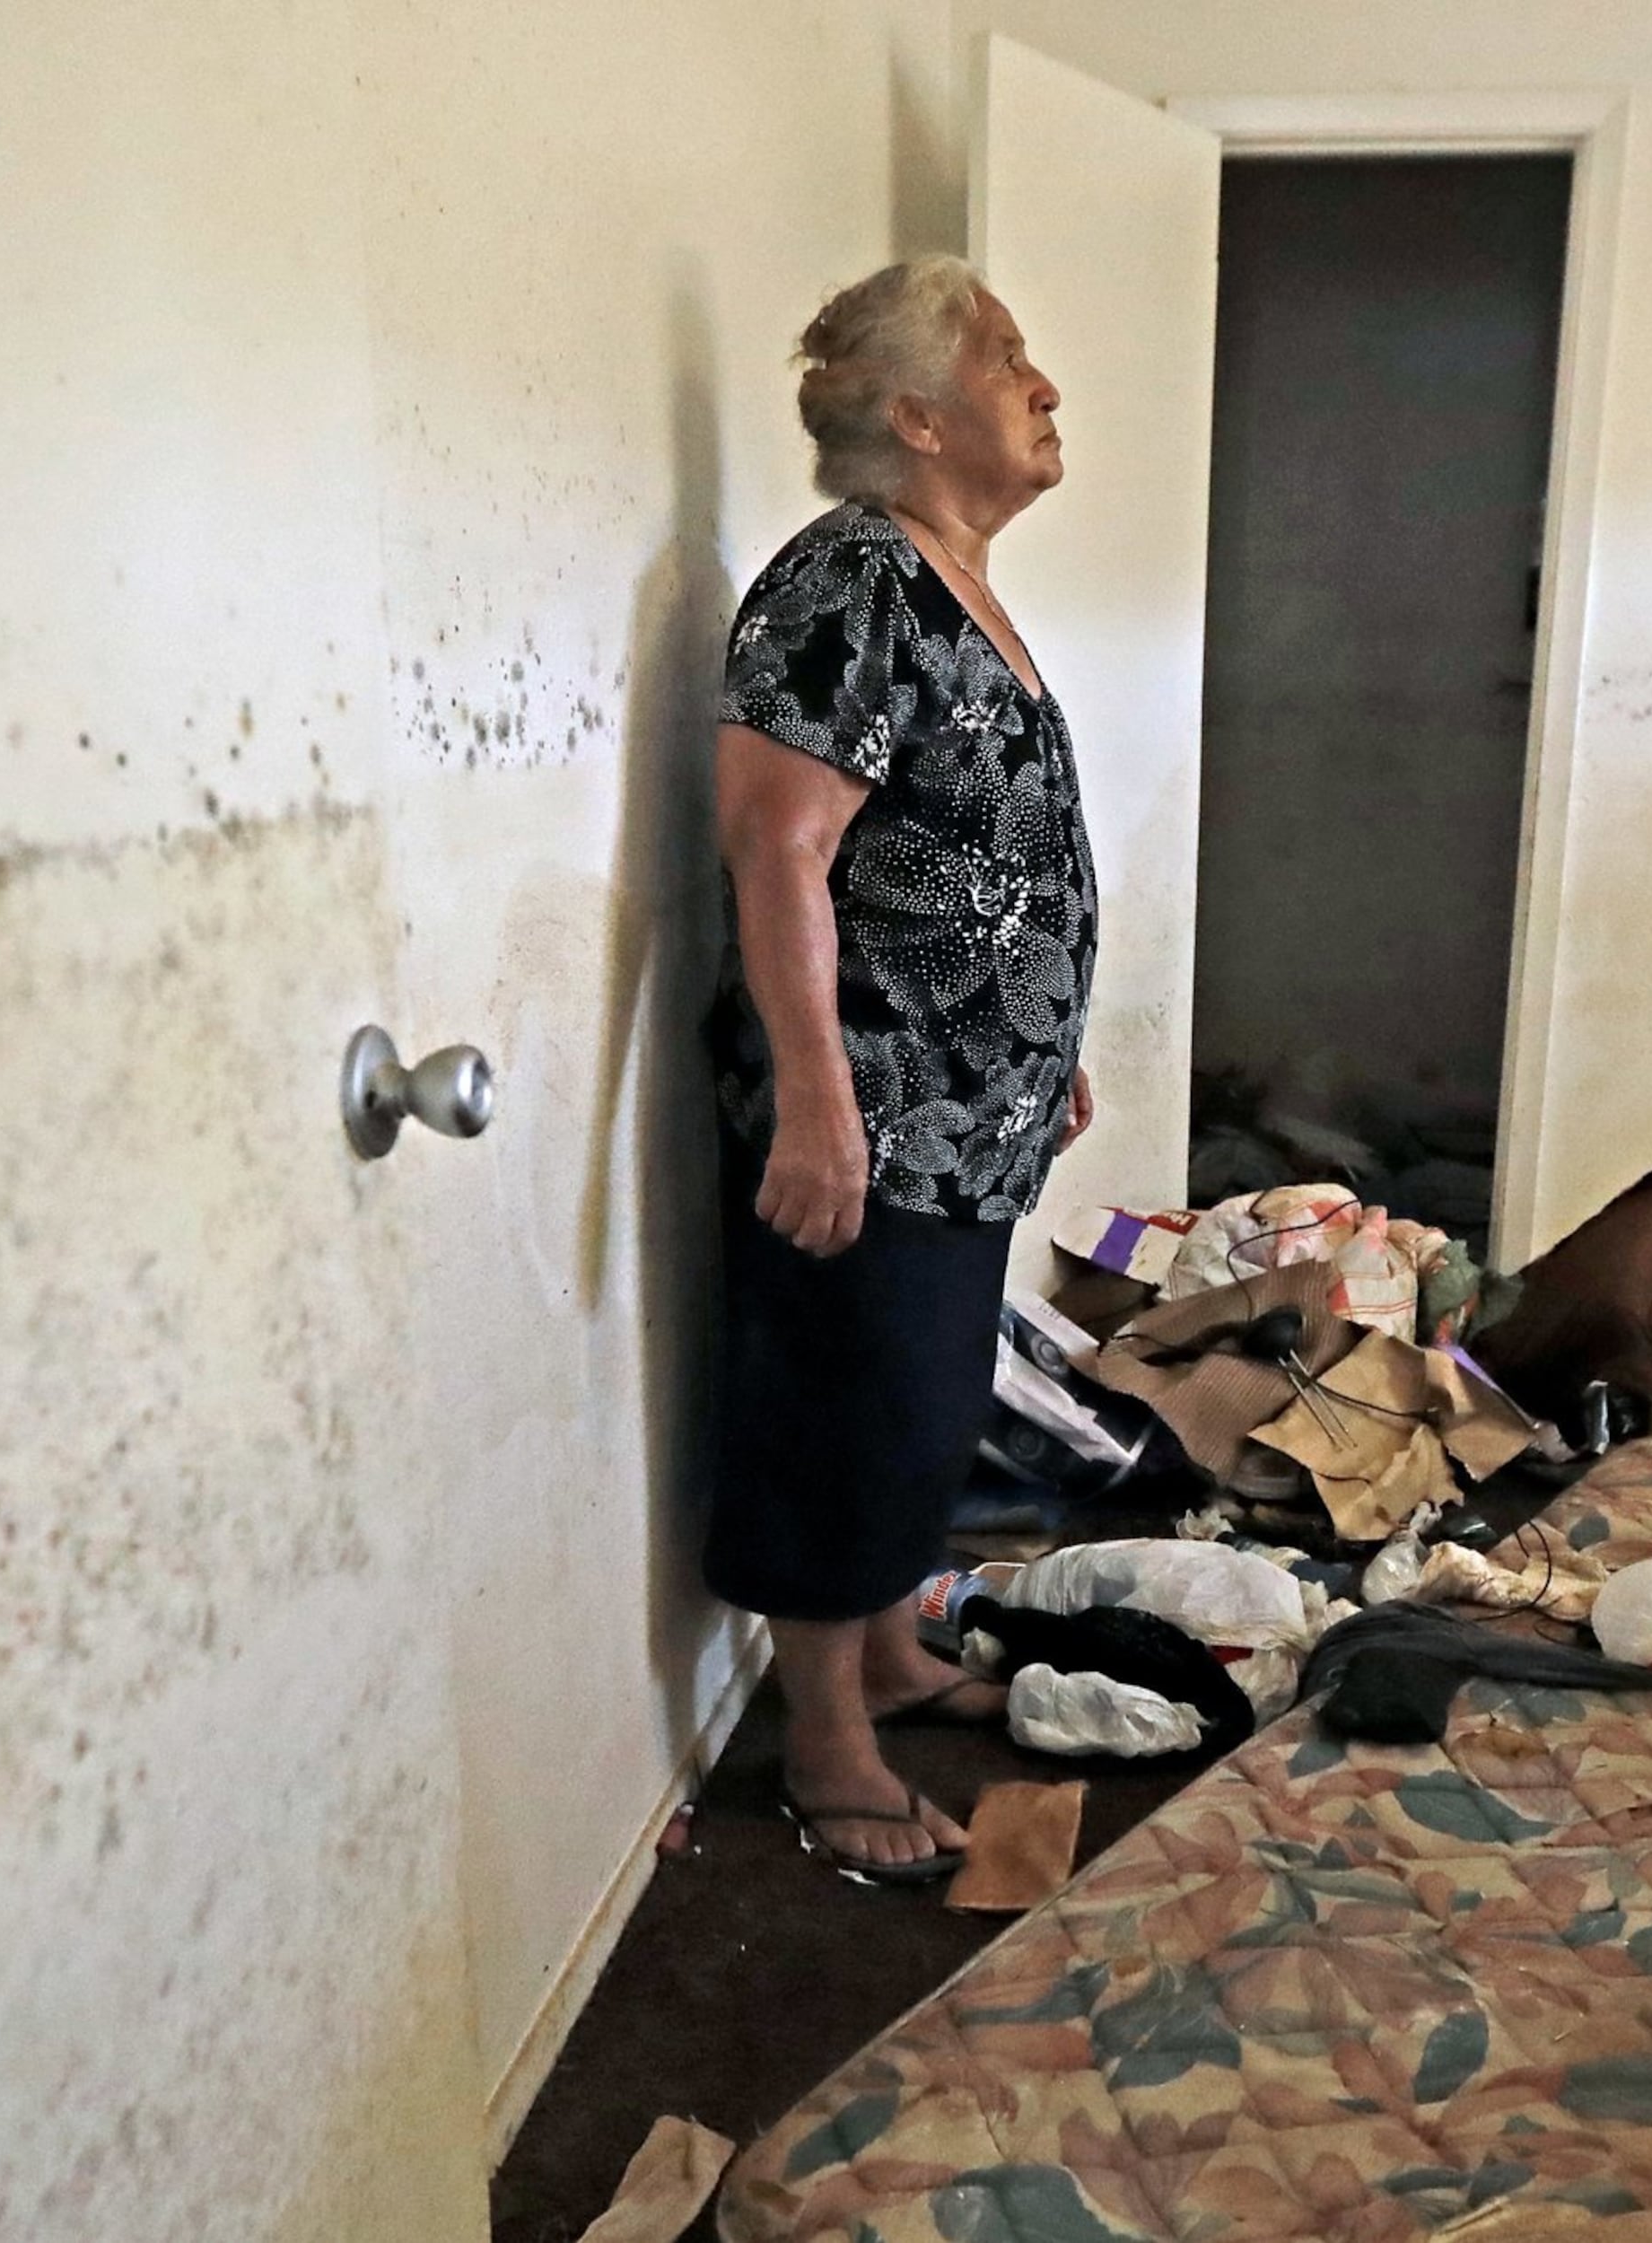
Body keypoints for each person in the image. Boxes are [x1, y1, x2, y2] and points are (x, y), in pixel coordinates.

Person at [703, 256, 1097, 1882]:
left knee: (919, 1400)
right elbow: (775, 843)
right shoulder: (851, 578)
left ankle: (880, 1653)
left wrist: (1042, 1045)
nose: (1046, 385)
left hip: (960, 1105)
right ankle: (825, 1742)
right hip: (868, 1106)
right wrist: (816, 1103)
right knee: (842, 1409)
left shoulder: (948, 578)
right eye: (1009, 360)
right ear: (920, 418)